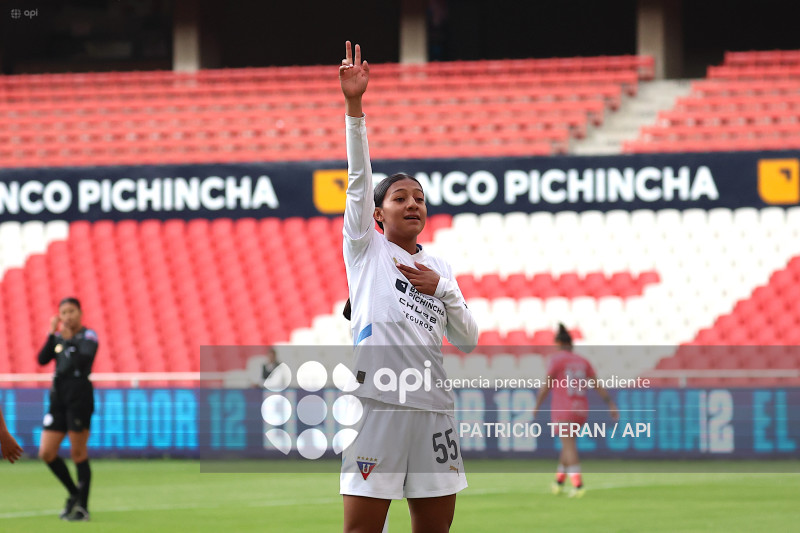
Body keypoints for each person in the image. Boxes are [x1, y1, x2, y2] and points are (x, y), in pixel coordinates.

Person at [338, 41, 479, 533]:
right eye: (400, 197)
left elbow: (468, 338)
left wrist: (443, 289)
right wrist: (356, 107)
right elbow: (359, 178)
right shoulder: (366, 249)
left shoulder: (439, 265)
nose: (413, 204)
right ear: (378, 214)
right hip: (378, 406)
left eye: (419, 198)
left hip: (434, 411)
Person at [533, 324, 618, 498]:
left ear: (558, 343)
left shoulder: (557, 360)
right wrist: (610, 403)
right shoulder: (583, 361)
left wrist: (537, 405)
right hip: (580, 409)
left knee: (568, 445)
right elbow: (596, 384)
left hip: (564, 409)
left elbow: (546, 385)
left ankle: (578, 485)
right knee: (568, 444)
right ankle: (559, 482)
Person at [37, 297, 98, 521]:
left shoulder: (88, 336)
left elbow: (84, 360)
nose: (68, 316)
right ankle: (74, 493)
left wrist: (70, 342)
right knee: (46, 452)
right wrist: (51, 334)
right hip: (58, 399)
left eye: (72, 311)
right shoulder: (58, 338)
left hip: (79, 399)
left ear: (80, 313)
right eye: (64, 312)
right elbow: (42, 359)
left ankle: (83, 507)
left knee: (78, 452)